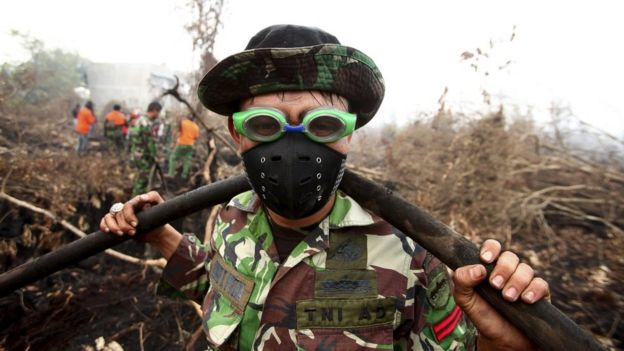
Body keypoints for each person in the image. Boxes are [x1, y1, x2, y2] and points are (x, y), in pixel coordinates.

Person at [100, 25, 550, 350]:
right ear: (238, 136)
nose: (291, 145)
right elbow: (218, 287)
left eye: (323, 123)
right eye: (264, 123)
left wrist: (502, 344)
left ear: (348, 135)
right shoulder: (232, 215)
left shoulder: (410, 256)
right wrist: (159, 234)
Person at [127, 101, 162, 196]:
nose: (158, 115)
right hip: (143, 156)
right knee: (143, 180)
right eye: (158, 112)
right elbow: (150, 143)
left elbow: (130, 139)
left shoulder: (139, 120)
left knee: (140, 178)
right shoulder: (145, 123)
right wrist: (155, 156)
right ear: (154, 111)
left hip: (137, 154)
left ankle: (137, 196)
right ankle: (136, 200)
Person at [168, 114, 200, 179]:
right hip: (190, 145)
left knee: (173, 158)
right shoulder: (196, 127)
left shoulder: (183, 122)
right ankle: (184, 175)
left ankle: (171, 174)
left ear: (187, 117)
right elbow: (196, 138)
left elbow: (178, 131)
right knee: (187, 160)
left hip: (181, 144)